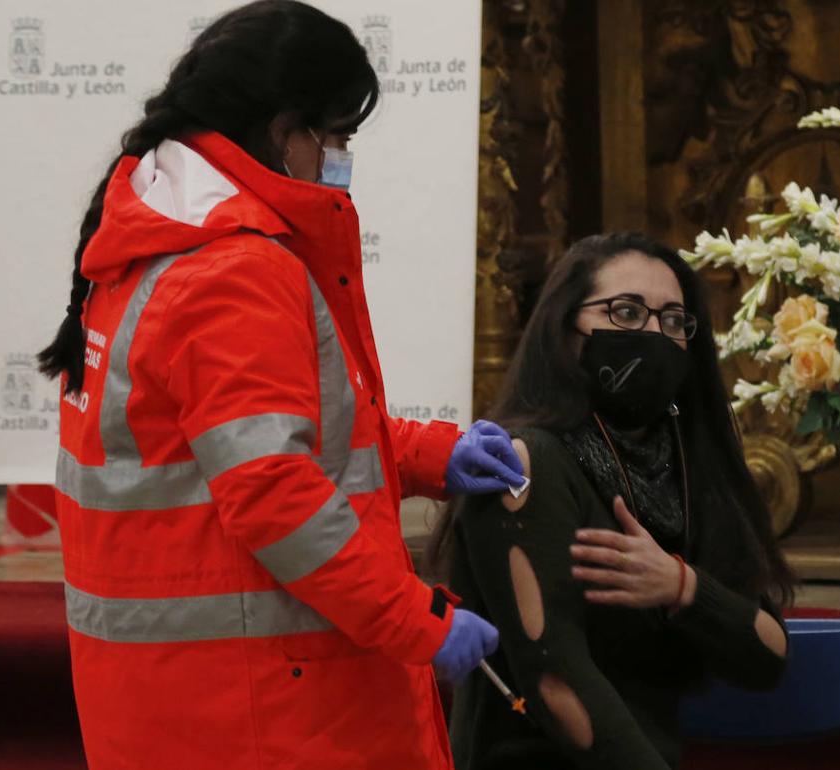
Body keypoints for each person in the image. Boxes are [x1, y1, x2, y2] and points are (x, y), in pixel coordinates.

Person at [35, 3, 523, 768]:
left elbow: (248, 442)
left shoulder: (151, 237)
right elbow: (274, 491)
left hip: (177, 698)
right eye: (335, 137)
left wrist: (434, 454)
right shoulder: (233, 267)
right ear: (281, 128)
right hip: (266, 707)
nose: (339, 157)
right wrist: (418, 619)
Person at [432, 232, 794, 770]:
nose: (652, 333)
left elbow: (768, 657)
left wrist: (680, 586)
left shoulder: (687, 466)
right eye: (626, 312)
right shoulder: (526, 463)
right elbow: (556, 682)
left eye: (673, 321)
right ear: (566, 328)